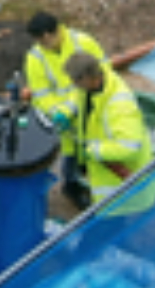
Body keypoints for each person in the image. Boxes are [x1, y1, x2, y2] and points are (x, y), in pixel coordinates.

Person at [23, 11, 107, 209]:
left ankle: (95, 184)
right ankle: (72, 187)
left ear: (53, 32)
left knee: (95, 150)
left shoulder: (83, 42)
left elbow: (104, 71)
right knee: (70, 155)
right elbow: (41, 94)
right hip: (65, 121)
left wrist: (71, 108)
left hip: (90, 109)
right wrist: (57, 113)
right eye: (38, 41)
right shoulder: (35, 57)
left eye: (44, 40)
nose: (42, 45)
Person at [64, 50, 155, 215]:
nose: (73, 84)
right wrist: (65, 112)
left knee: (112, 221)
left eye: (76, 80)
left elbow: (129, 146)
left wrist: (94, 150)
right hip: (105, 171)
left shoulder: (120, 106)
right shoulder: (90, 87)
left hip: (122, 179)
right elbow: (76, 97)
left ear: (91, 77)